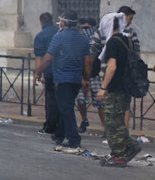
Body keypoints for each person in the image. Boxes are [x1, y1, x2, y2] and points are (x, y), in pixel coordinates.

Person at [34, 10, 91, 149]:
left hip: (62, 78)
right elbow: (87, 62)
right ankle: (59, 134)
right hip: (76, 80)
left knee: (66, 109)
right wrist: (86, 80)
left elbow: (48, 58)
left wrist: (38, 72)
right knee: (66, 106)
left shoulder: (59, 37)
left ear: (64, 23)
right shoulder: (83, 39)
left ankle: (74, 138)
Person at [96, 17, 141, 167]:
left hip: (116, 88)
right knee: (119, 120)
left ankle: (119, 155)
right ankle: (130, 145)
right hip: (126, 86)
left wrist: (103, 88)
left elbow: (112, 66)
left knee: (111, 122)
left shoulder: (113, 42)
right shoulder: (126, 40)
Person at [75, 17, 105, 135]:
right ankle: (84, 121)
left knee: (100, 102)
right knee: (81, 100)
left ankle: (105, 127)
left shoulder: (98, 41)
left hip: (95, 76)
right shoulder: (80, 41)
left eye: (87, 28)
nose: (84, 30)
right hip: (81, 76)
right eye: (83, 28)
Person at [34, 12, 59, 134]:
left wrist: (38, 73)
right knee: (62, 100)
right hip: (62, 71)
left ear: (41, 22)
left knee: (50, 100)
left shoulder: (40, 36)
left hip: (49, 72)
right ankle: (61, 124)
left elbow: (39, 58)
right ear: (52, 20)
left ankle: (50, 125)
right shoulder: (59, 32)